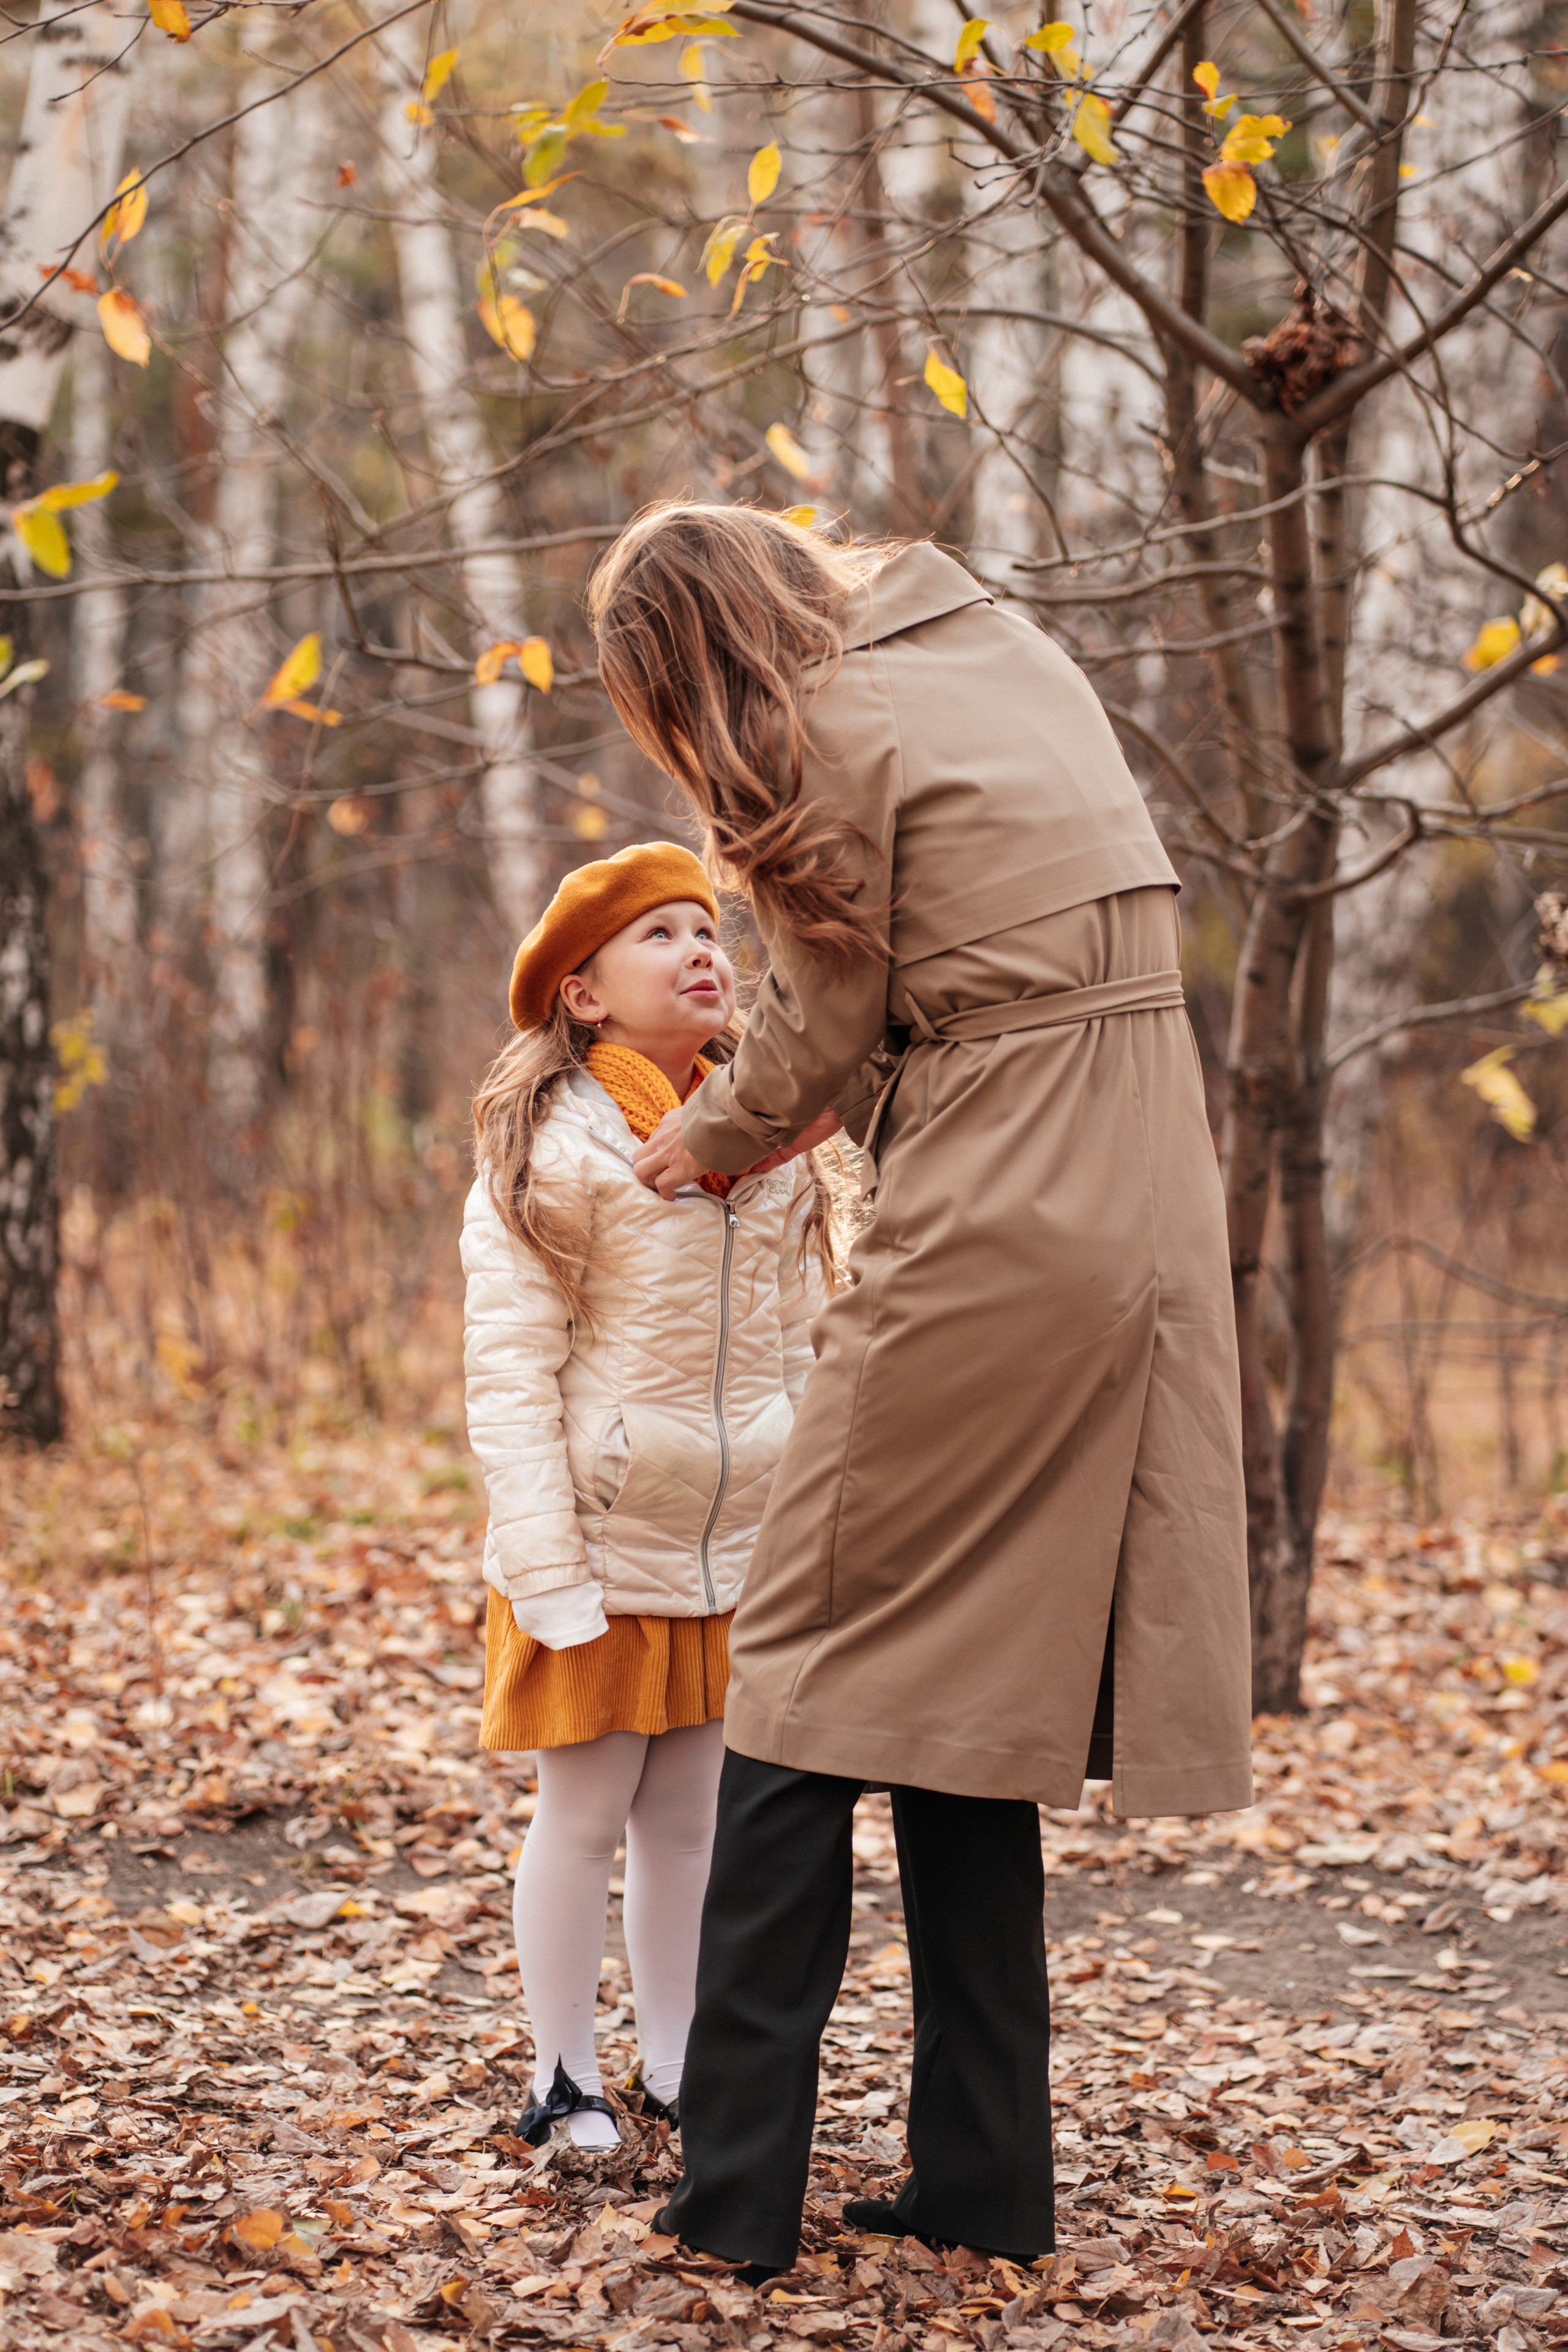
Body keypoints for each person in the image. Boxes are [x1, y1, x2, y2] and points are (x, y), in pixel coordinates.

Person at [587, 504, 1254, 2272]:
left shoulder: (814, 734)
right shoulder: (999, 645)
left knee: (799, 1666)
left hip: (1007, 1193)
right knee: (974, 1681)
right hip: (1153, 1182)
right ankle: (983, 2180)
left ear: (688, 659)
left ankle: (731, 2197)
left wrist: (702, 1147)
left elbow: (814, 1033)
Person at [462, 842, 831, 2150]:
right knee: (583, 1817)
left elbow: (801, 1345)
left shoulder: (766, 1137)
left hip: (731, 1546)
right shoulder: (557, 1153)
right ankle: (562, 2075)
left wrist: (800, 1512)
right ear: (583, 995)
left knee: (689, 1821)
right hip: (601, 1543)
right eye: (661, 936)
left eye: (707, 929)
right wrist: (544, 1566)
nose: (701, 952)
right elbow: (510, 1375)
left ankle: (674, 2060)